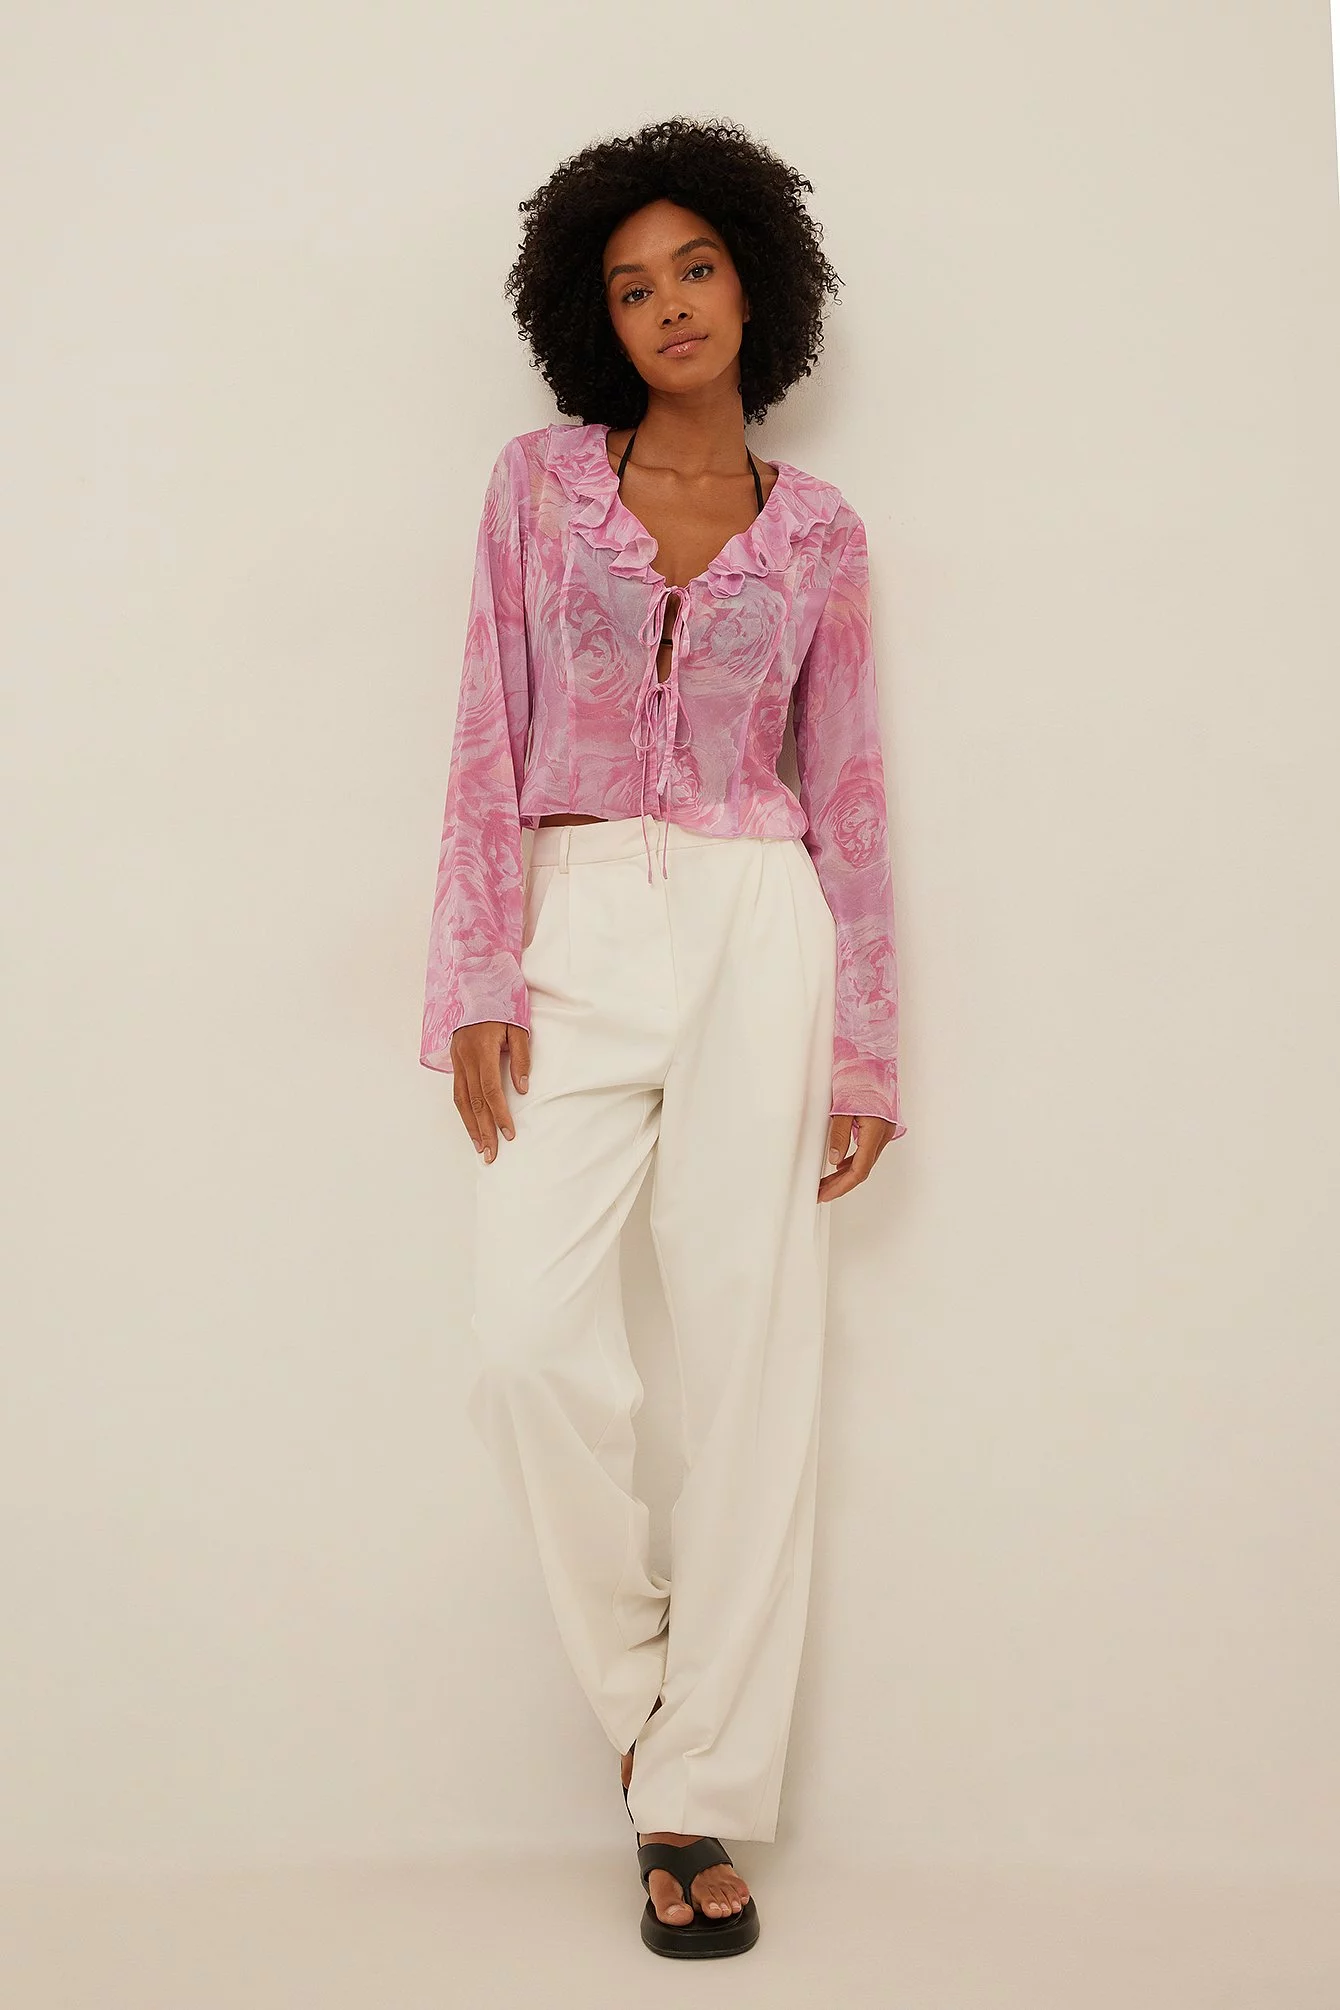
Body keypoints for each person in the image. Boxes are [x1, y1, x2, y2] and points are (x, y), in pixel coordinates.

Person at [419, 115, 906, 1959]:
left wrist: (866, 1045)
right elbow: (484, 722)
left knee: (754, 1350)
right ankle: (648, 1700)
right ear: (593, 319)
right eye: (631, 286)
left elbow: (847, 788)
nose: (669, 304)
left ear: (757, 283)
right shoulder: (539, 489)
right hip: (572, 925)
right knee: (526, 1347)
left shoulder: (824, 531)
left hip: (760, 923)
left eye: (696, 267)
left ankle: (695, 1789)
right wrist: (476, 969)